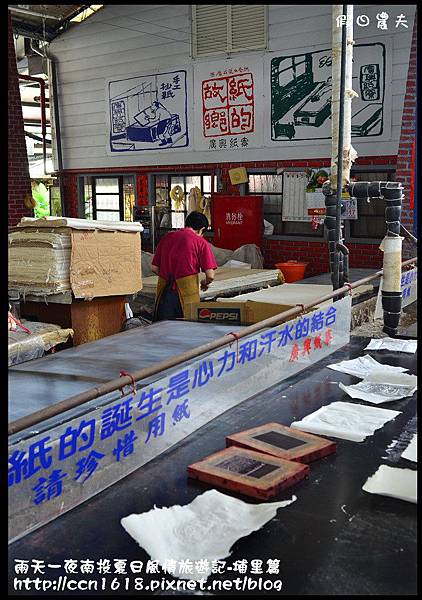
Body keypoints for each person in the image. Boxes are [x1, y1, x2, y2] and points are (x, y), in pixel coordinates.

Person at [151, 211, 217, 321]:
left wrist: (169, 278)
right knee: (186, 330)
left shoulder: (167, 237)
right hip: (185, 297)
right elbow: (210, 275)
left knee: (162, 330)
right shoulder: (200, 242)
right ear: (201, 229)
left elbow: (154, 268)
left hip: (164, 295)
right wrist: (204, 283)